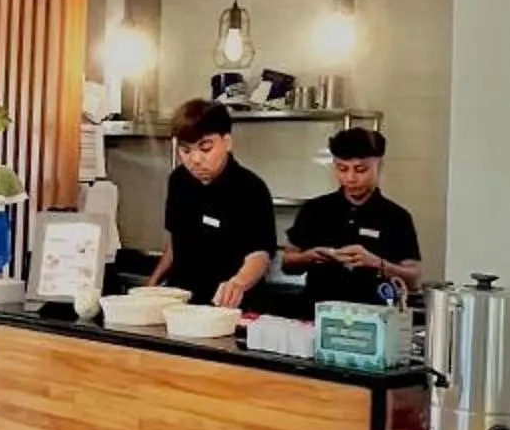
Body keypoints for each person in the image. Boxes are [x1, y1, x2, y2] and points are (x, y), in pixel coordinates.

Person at [151, 97, 278, 309]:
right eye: (186, 151)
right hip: (182, 302)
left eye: (205, 148)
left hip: (230, 306)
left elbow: (260, 254)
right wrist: (151, 285)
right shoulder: (179, 180)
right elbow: (176, 239)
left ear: (227, 142)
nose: (195, 160)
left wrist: (237, 284)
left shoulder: (251, 188)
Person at [283, 126, 422, 304]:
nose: (350, 178)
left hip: (374, 317)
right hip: (318, 314)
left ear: (379, 165)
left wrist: (377, 264)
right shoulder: (315, 209)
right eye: (342, 169)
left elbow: (413, 278)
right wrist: (310, 256)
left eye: (360, 170)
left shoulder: (396, 217)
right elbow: (287, 263)